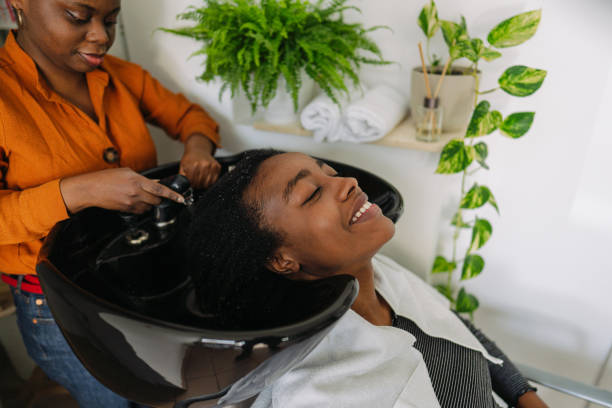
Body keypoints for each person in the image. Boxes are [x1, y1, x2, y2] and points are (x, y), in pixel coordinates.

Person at [183, 150, 549, 408]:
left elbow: (459, 332)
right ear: (281, 260)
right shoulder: (318, 392)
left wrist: (526, 396)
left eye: (329, 172)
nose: (348, 182)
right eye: (312, 193)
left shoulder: (385, 274)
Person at [0, 1, 221, 406]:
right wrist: (79, 192)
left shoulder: (121, 77)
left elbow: (191, 116)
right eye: (78, 16)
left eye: (111, 19)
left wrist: (198, 148)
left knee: (159, 390)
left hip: (141, 277)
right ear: (19, 5)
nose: (102, 35)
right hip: (58, 308)